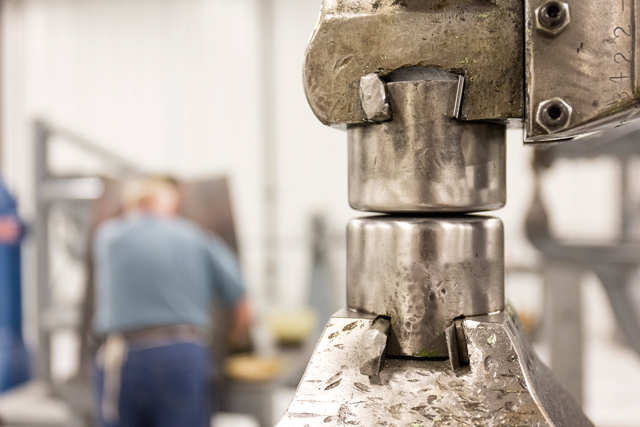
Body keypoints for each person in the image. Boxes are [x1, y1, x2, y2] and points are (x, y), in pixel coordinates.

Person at [92, 176, 249, 427]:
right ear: (166, 203)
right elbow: (240, 300)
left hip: (121, 357)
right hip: (181, 355)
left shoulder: (108, 237)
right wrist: (236, 342)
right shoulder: (194, 236)